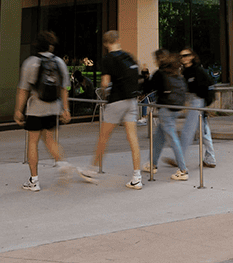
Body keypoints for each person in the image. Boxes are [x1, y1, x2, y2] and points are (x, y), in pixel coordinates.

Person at [15, 30, 96, 192]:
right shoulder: (59, 63)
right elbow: (64, 88)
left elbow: (23, 89)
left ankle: (34, 180)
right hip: (54, 107)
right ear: (51, 46)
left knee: (32, 142)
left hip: (35, 109)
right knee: (50, 139)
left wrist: (18, 110)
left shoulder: (30, 62)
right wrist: (65, 109)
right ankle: (62, 163)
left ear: (37, 45)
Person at [90, 30, 145, 189]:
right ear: (118, 40)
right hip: (131, 101)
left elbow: (105, 83)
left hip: (116, 101)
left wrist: (104, 87)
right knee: (133, 139)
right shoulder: (128, 56)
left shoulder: (108, 59)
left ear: (106, 44)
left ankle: (91, 170)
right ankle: (137, 177)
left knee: (103, 137)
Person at [144, 49, 191, 181]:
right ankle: (152, 164)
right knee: (159, 137)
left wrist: (144, 74)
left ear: (158, 59)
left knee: (172, 138)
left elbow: (148, 87)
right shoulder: (175, 71)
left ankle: (183, 170)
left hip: (165, 108)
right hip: (175, 108)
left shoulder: (160, 73)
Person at [181, 48, 218, 169]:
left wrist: (205, 103)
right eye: (182, 56)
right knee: (202, 130)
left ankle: (180, 158)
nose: (184, 58)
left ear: (192, 56)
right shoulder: (185, 71)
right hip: (194, 102)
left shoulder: (197, 70)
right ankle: (210, 158)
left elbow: (208, 84)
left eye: (186, 55)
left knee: (191, 130)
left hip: (198, 101)